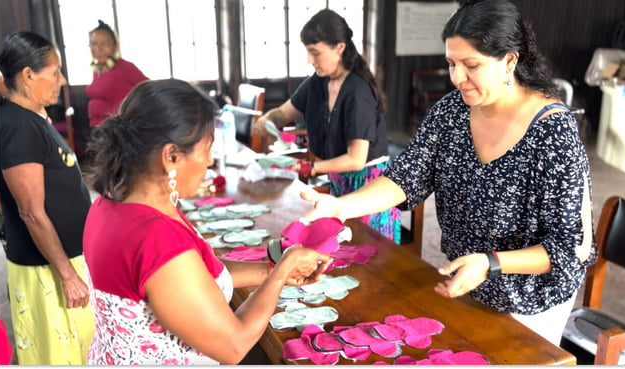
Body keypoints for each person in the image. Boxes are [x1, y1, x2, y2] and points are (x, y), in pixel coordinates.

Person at [299, 0, 597, 346]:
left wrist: (490, 263)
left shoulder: (551, 131)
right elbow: (405, 177)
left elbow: (568, 247)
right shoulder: (453, 111)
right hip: (467, 282)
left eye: (471, 65)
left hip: (530, 304)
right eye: (451, 64)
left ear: (509, 61)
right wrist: (341, 207)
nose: (457, 78)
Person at [83, 78, 332, 365]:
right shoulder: (156, 238)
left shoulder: (111, 204)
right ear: (171, 155)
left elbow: (193, 277)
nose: (211, 161)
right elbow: (234, 345)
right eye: (207, 148)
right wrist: (283, 270)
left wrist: (272, 270)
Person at [254, 9, 401, 243]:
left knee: (366, 250)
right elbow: (284, 112)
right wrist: (268, 119)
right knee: (336, 245)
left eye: (315, 53)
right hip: (338, 178)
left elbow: (355, 159)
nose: (309, 60)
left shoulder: (357, 91)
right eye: (308, 52)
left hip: (367, 184)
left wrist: (308, 168)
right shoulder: (318, 82)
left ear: (339, 47)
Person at [0, 31, 94, 364]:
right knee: (58, 355)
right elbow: (31, 212)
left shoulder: (30, 118)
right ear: (27, 76)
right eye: (54, 72)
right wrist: (67, 274)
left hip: (61, 259)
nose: (61, 80)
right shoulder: (18, 126)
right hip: (49, 269)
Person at [85, 19, 148, 128]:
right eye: (94, 43)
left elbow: (149, 88)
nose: (98, 49)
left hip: (119, 131)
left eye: (104, 44)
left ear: (115, 46)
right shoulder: (98, 70)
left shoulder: (125, 67)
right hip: (98, 130)